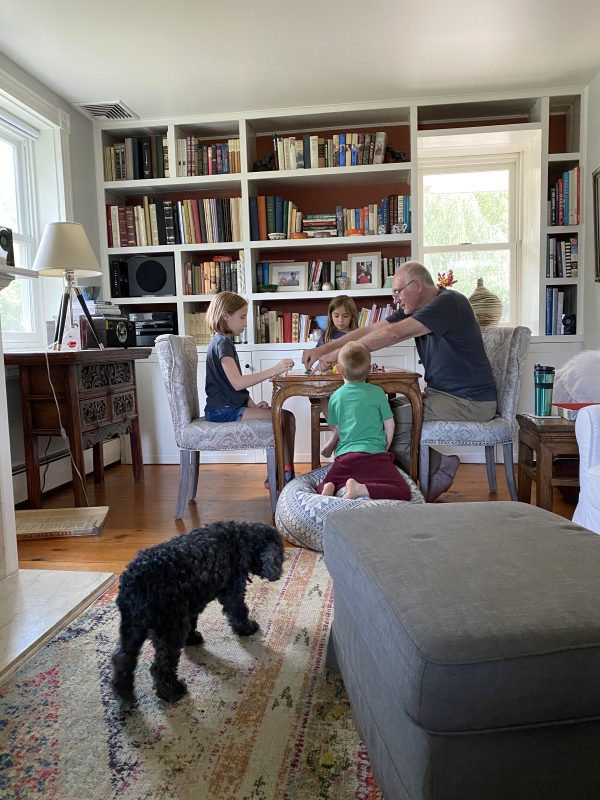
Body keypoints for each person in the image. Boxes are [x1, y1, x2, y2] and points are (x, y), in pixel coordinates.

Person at [302, 261, 497, 502]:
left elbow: (394, 333)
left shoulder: (449, 303)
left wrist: (335, 357)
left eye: (398, 292)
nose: (396, 299)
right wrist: (326, 349)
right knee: (385, 412)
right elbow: (371, 329)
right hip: (442, 395)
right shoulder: (416, 308)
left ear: (416, 286)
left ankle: (429, 474)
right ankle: (433, 466)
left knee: (387, 420)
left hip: (471, 401)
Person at [205, 291, 297, 483]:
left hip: (227, 408)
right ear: (226, 315)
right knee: (286, 418)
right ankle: (284, 475)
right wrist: (274, 370)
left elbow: (231, 386)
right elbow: (237, 382)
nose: (245, 323)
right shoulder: (222, 344)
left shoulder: (223, 342)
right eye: (242, 317)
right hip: (223, 411)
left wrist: (252, 405)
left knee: (286, 418)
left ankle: (282, 473)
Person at [317, 341, 411, 501]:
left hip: (345, 457)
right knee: (402, 491)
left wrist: (332, 444)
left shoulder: (335, 397)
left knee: (329, 479)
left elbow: (337, 429)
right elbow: (390, 424)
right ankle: (361, 489)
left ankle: (329, 486)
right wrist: (385, 446)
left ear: (338, 369)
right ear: (369, 369)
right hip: (374, 454)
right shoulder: (378, 393)